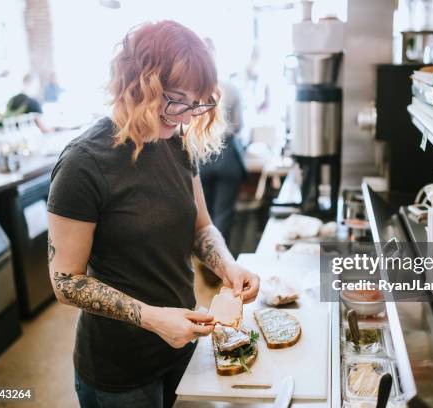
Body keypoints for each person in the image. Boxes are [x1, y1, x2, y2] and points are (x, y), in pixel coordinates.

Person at [46, 21, 259, 408]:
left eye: (196, 103)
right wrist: (153, 318)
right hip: (120, 369)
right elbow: (65, 281)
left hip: (182, 346)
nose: (186, 117)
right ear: (135, 81)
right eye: (177, 99)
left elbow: (201, 227)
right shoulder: (84, 163)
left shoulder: (176, 144)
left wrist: (228, 265)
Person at [199, 38, 247, 243]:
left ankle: (205, 268)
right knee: (223, 215)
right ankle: (221, 270)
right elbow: (238, 125)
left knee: (205, 217)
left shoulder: (195, 89)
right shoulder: (231, 88)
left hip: (202, 155)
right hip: (226, 155)